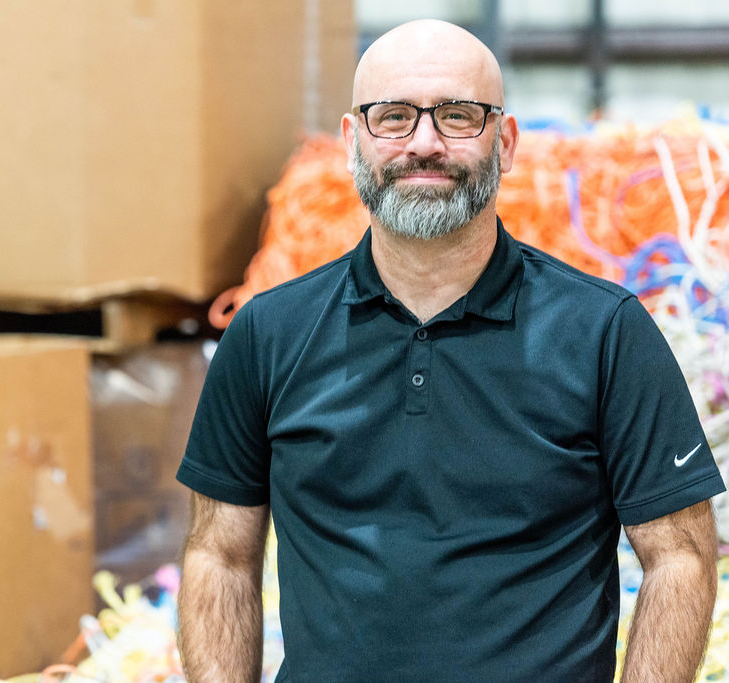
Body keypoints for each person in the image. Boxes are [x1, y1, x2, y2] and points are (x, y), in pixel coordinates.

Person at [176, 18, 725, 683]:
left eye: (459, 116)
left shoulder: (605, 332)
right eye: (395, 117)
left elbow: (681, 558)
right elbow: (220, 556)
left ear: (507, 140)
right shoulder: (268, 334)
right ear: (353, 141)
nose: (425, 143)